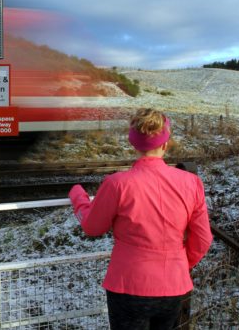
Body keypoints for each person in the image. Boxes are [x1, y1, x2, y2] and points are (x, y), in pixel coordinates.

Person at [69, 108, 213, 329]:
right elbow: (203, 240)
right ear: (165, 144)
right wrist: (180, 265)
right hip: (173, 285)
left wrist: (78, 196)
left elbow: (91, 226)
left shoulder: (117, 183)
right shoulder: (191, 182)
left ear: (133, 144)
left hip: (128, 285)